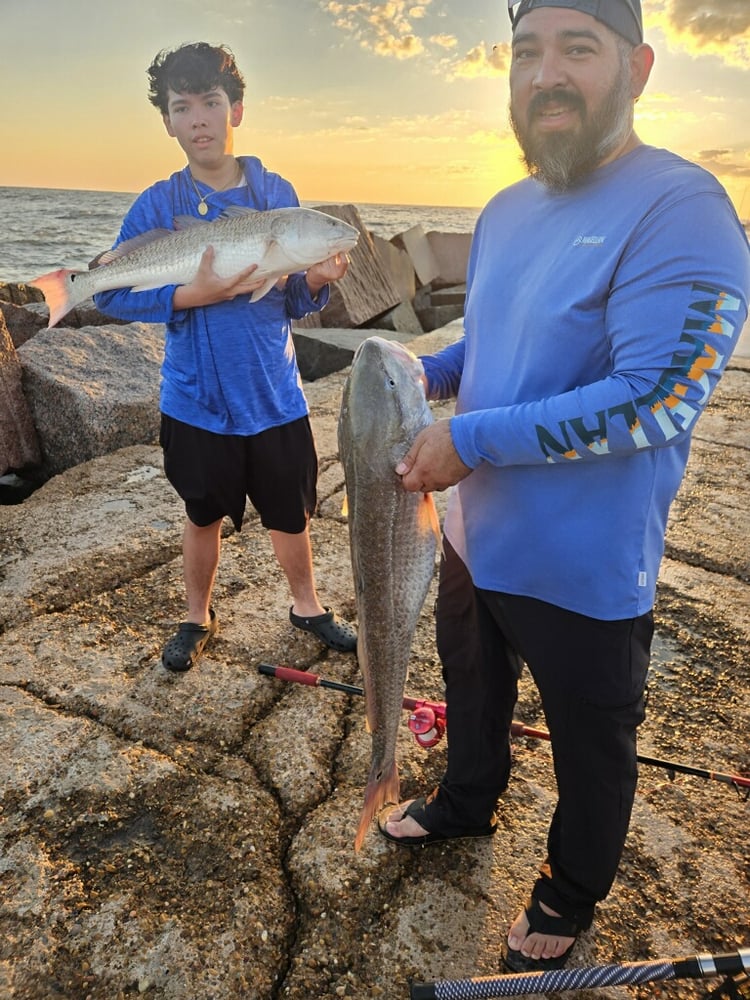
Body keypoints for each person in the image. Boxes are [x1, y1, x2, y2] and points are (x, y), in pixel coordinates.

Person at [379, 0, 750, 974]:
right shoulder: (504, 208)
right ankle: (466, 801)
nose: (546, 72)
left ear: (638, 66)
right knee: (471, 688)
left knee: (594, 747)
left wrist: (469, 439)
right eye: (526, 51)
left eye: (576, 49)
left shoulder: (684, 207)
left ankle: (569, 890)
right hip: (471, 541)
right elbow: (489, 340)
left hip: (584, 573)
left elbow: (657, 399)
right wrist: (420, 374)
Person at [94, 42, 357, 671]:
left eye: (211, 102)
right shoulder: (156, 206)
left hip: (273, 394)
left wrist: (316, 280)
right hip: (196, 398)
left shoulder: (275, 193)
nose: (199, 119)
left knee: (291, 512)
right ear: (168, 121)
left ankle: (307, 605)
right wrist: (192, 294)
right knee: (202, 511)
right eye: (182, 107)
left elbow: (293, 300)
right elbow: (111, 299)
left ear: (235, 108)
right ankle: (196, 614)